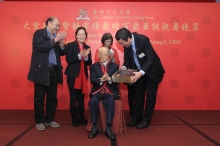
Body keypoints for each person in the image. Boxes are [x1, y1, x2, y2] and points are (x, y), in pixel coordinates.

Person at [115, 28, 165, 129]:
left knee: (150, 97)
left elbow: (150, 59)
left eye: (122, 43)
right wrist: (124, 69)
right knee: (138, 95)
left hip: (151, 72)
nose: (122, 45)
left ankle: (146, 120)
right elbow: (127, 59)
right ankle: (137, 118)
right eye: (120, 43)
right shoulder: (127, 44)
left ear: (129, 38)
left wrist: (141, 72)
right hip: (138, 72)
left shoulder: (143, 40)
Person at [27, 16, 67, 131]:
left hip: (54, 70)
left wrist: (61, 44)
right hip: (41, 70)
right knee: (39, 97)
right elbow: (39, 47)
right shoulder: (39, 34)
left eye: (59, 26)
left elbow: (62, 53)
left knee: (52, 97)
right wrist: (55, 40)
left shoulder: (56, 36)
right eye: (56, 25)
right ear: (49, 23)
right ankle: (39, 121)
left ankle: (50, 119)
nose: (58, 28)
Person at [88, 47, 119, 140]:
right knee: (93, 101)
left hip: (110, 91)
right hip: (98, 90)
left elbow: (117, 81)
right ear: (99, 55)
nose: (105, 56)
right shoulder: (93, 66)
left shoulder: (115, 66)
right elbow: (92, 79)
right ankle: (94, 127)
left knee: (110, 101)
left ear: (109, 55)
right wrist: (101, 80)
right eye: (103, 54)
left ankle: (108, 128)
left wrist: (109, 79)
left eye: (107, 54)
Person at [65, 27, 92, 127]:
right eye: (79, 34)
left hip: (83, 75)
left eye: (83, 34)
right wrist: (79, 56)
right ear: (76, 35)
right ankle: (74, 118)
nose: (81, 36)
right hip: (73, 75)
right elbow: (69, 59)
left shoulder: (87, 47)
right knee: (73, 97)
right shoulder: (70, 45)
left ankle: (81, 117)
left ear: (86, 36)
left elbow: (90, 62)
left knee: (81, 97)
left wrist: (85, 57)